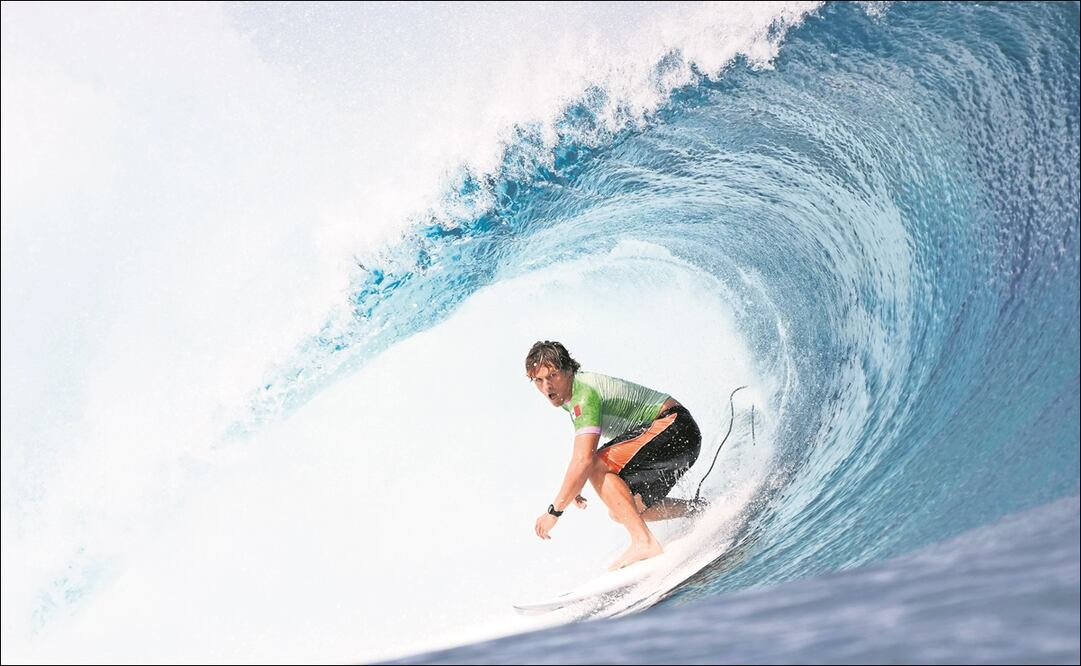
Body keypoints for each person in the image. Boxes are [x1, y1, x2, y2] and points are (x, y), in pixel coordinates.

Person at [526, 340, 705, 570]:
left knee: (595, 465)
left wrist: (554, 512)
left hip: (674, 426)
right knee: (624, 510)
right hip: (679, 437)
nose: (546, 387)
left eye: (552, 376)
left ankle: (644, 542)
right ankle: (698, 509)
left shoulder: (583, 394)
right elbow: (585, 450)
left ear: (569, 369)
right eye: (538, 380)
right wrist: (577, 484)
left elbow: (585, 459)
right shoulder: (571, 397)